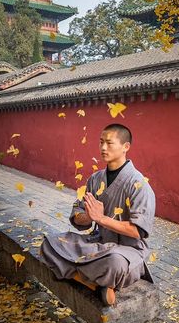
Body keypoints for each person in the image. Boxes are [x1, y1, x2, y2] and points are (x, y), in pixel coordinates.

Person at [40, 124, 155, 306]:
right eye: (101, 142)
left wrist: (102, 218)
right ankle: (94, 284)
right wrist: (88, 216)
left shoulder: (139, 185)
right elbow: (79, 217)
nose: (103, 148)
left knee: (114, 264)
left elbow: (137, 232)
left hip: (125, 250)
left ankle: (84, 274)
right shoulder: (95, 179)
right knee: (50, 243)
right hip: (97, 243)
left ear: (126, 146)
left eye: (109, 143)